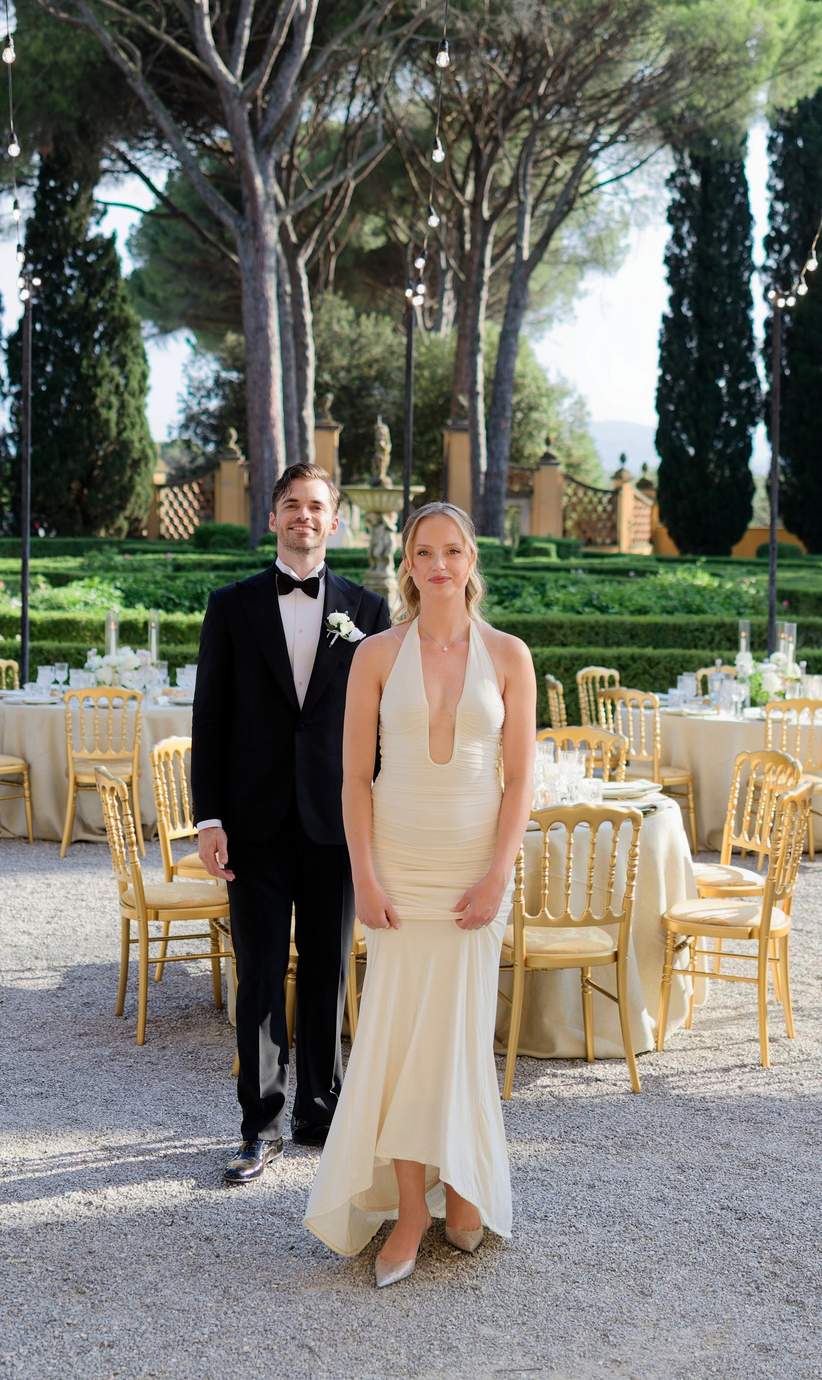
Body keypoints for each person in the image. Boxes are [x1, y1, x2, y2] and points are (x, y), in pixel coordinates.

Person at [304, 502, 534, 1285]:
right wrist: (364, 877)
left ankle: (463, 1184)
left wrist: (499, 872)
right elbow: (353, 779)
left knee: (461, 1035)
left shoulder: (510, 655)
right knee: (401, 1039)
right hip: (399, 872)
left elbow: (522, 778)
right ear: (407, 564)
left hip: (473, 869)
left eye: (453, 550)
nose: (439, 564)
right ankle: (409, 1209)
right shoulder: (374, 654)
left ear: (472, 559)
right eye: (423, 552)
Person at [192, 463, 392, 1184]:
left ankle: (319, 1111)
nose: (303, 516)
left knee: (331, 970)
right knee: (260, 976)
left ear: (336, 521)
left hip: (337, 823)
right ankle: (259, 1125)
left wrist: (382, 818)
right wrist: (208, 819)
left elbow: (382, 732)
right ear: (272, 517)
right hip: (252, 823)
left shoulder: (368, 612)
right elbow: (209, 719)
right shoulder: (232, 606)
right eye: (290, 505)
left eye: (316, 506)